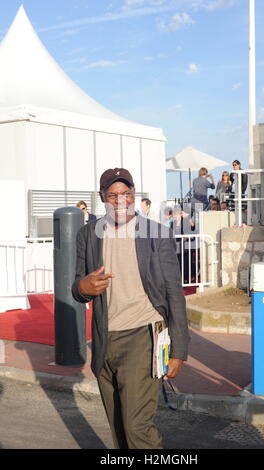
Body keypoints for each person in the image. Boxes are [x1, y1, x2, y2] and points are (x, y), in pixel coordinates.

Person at [72, 168, 189, 449]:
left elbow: (175, 292)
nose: (120, 200)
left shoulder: (156, 234)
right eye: (113, 195)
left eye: (126, 193)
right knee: (119, 428)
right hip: (104, 339)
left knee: (137, 427)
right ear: (102, 198)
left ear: (135, 195)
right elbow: (76, 287)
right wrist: (82, 289)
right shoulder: (89, 234)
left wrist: (179, 350)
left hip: (143, 337)